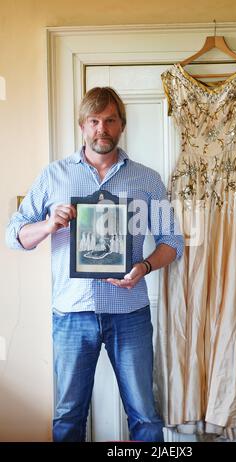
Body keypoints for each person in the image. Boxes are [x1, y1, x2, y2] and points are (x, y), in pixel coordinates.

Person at [6, 87, 184, 442]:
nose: (101, 128)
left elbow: (173, 242)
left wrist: (143, 268)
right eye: (94, 121)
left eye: (110, 120)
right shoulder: (53, 176)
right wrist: (48, 224)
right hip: (72, 312)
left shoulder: (146, 179)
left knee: (145, 416)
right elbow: (14, 235)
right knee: (68, 416)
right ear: (82, 126)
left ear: (122, 125)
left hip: (130, 312)